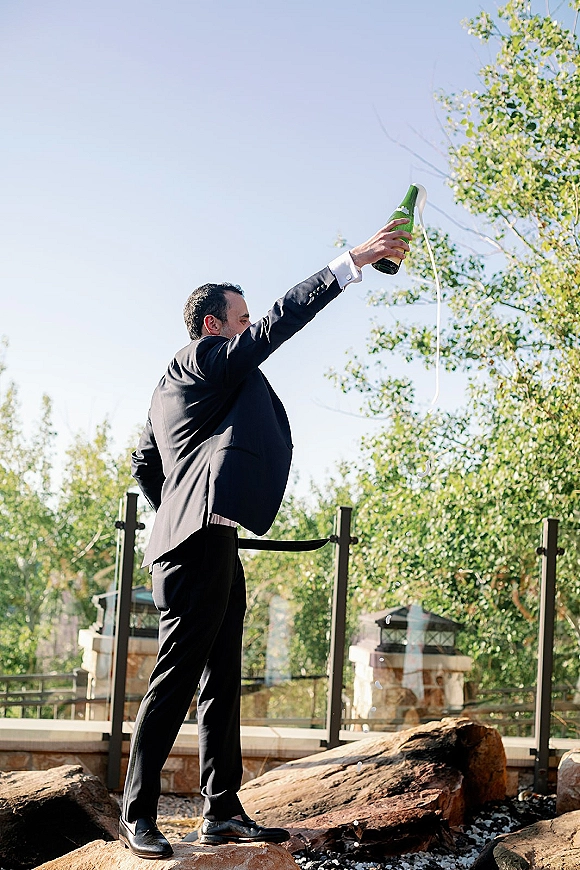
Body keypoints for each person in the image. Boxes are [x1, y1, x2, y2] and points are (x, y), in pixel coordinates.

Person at [119, 218, 412, 859]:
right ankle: (136, 812)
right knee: (176, 677)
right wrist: (353, 261)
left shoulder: (171, 394)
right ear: (212, 326)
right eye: (240, 318)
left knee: (223, 675)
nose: (251, 327)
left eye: (249, 319)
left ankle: (220, 810)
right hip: (194, 549)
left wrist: (181, 506)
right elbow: (283, 319)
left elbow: (144, 462)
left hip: (206, 541)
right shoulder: (198, 362)